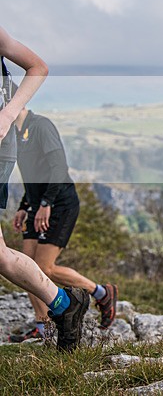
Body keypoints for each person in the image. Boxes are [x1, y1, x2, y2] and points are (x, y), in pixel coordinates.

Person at [0, 25, 89, 351]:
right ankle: (65, 305)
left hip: (5, 152)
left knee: (30, 261)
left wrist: (7, 115)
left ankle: (83, 298)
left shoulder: (41, 128)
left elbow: (38, 66)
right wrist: (27, 206)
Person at [10, 105, 118, 341]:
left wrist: (47, 203)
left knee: (44, 267)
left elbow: (58, 167)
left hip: (59, 204)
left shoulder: (41, 126)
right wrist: (23, 207)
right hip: (37, 206)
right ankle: (42, 325)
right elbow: (32, 176)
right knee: (24, 266)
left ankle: (101, 293)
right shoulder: (15, 134)